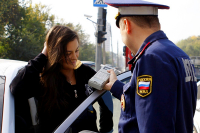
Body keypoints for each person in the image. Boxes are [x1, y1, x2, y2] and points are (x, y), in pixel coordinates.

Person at [103, 0, 197, 133]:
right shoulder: (179, 54)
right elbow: (154, 101)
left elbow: (153, 126)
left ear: (125, 24)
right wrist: (116, 86)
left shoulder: (151, 58)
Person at [10, 25, 113, 133]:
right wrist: (44, 54)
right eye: (68, 53)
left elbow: (105, 96)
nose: (75, 57)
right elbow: (17, 88)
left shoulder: (85, 72)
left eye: (76, 50)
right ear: (56, 53)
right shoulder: (44, 80)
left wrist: (106, 130)